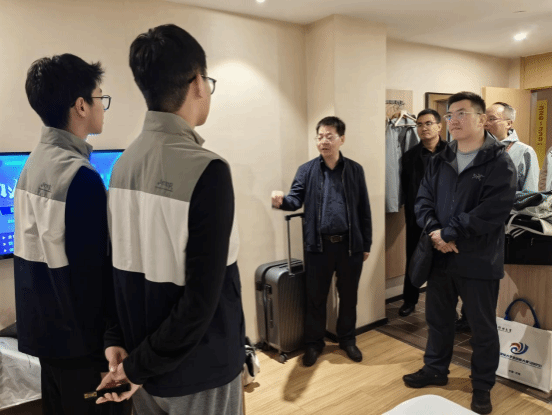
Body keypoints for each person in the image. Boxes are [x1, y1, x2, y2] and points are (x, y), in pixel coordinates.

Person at [96, 24, 245, 415]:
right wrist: (138, 366)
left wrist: (121, 345)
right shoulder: (209, 170)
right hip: (201, 371)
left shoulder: (121, 167)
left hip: (141, 368)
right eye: (208, 81)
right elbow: (201, 301)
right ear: (197, 83)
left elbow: (115, 269)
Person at [14, 54, 127, 415]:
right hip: (82, 348)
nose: (102, 106)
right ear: (80, 106)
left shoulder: (31, 165)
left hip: (45, 339)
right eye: (99, 98)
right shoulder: (81, 178)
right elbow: (93, 278)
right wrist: (112, 346)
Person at [402, 92, 516, 415]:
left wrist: (449, 233)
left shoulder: (499, 162)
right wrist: (435, 232)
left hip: (478, 259)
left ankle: (482, 385)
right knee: (438, 319)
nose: (453, 120)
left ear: (482, 119)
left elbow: (492, 212)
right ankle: (435, 369)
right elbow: (422, 201)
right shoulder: (440, 158)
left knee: (482, 327)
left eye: (462, 113)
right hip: (440, 257)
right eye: (450, 114)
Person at [272, 116, 372, 367]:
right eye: (320, 136)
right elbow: (295, 200)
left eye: (329, 136)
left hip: (350, 245)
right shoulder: (306, 170)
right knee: (315, 298)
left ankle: (347, 340)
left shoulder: (355, 170)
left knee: (348, 297)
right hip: (318, 246)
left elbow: (364, 209)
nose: (323, 141)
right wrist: (281, 201)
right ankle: (314, 344)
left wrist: (366, 244)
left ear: (341, 139)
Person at [454, 101, 540, 333]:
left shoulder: (524, 152)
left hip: (503, 227)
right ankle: (468, 317)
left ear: (509, 123)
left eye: (492, 119)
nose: (486, 123)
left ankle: (491, 323)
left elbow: (530, 195)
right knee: (470, 273)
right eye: (484, 118)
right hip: (472, 224)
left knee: (492, 278)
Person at [398, 109, 447, 317]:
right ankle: (409, 300)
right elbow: (406, 188)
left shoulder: (453, 153)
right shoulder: (409, 157)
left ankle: (445, 306)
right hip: (417, 217)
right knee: (414, 258)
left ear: (439, 126)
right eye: (419, 124)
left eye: (428, 123)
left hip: (446, 217)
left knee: (445, 261)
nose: (423, 128)